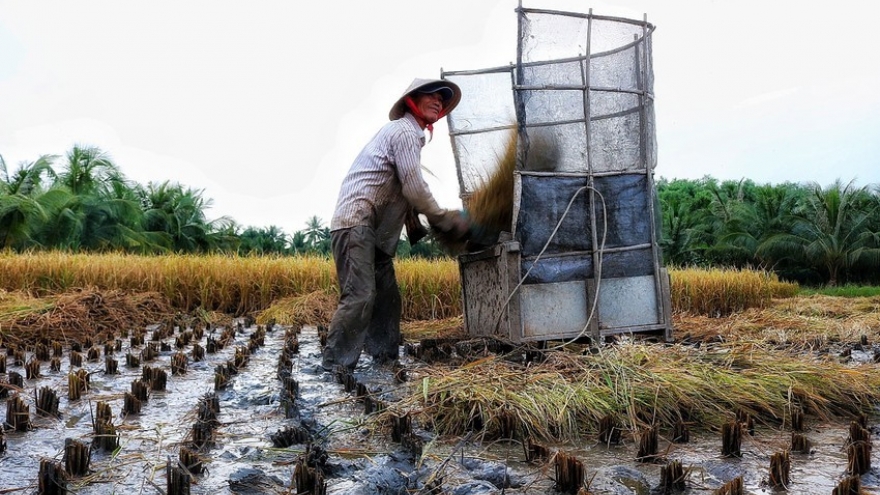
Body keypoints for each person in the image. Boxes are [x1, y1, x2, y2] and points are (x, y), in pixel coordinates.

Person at [321, 78, 470, 372]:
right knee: (360, 295)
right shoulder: (403, 131)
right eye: (431, 96)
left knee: (388, 299)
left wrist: (427, 221)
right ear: (412, 100)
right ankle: (333, 367)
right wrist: (443, 218)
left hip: (374, 233)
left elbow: (407, 192)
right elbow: (415, 188)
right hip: (356, 223)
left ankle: (385, 360)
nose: (439, 101)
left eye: (442, 98)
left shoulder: (410, 137)